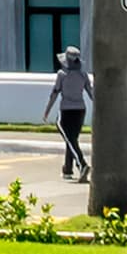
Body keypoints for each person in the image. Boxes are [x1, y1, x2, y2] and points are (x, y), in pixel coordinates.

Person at [44, 41, 90, 181]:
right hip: (81, 110)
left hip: (66, 110)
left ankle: (82, 164)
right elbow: (91, 92)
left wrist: (47, 111)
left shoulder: (62, 74)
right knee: (72, 139)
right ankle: (67, 169)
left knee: (69, 139)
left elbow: (54, 93)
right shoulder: (83, 75)